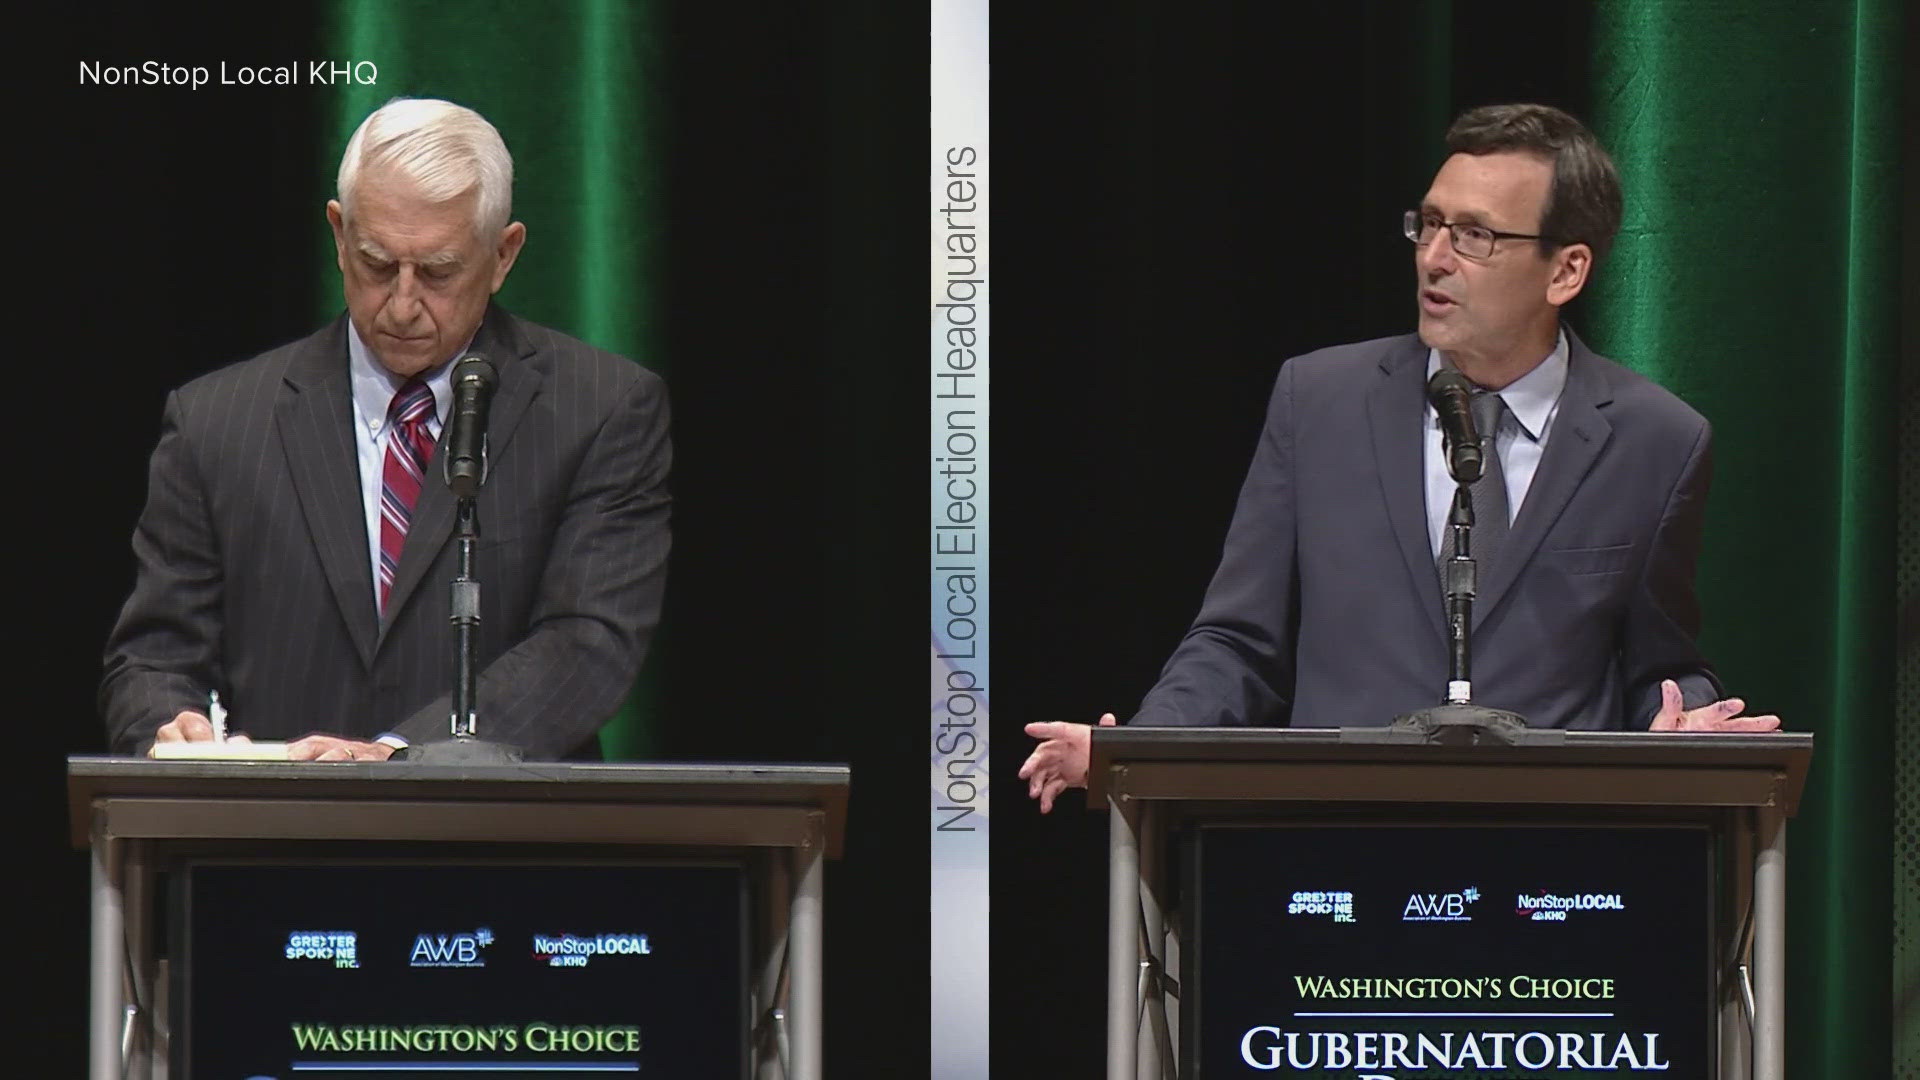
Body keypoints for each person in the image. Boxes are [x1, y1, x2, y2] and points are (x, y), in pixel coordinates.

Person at [1021, 103, 1779, 812]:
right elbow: (1238, 641)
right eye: (1431, 224)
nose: (1436, 259)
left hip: (1548, 854)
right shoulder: (1318, 401)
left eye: (1476, 235)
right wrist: (1138, 750)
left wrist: (1684, 724)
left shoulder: (1656, 439)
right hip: (1336, 848)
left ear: (1566, 271)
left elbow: (1656, 662)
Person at [100, 98, 670, 762]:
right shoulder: (217, 422)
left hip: (504, 846)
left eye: (437, 273)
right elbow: (153, 659)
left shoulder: (600, 410)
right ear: (339, 236)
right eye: (376, 264)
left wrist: (407, 757)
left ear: (503, 254)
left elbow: (588, 644)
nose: (401, 304)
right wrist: (170, 726)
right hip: (268, 844)